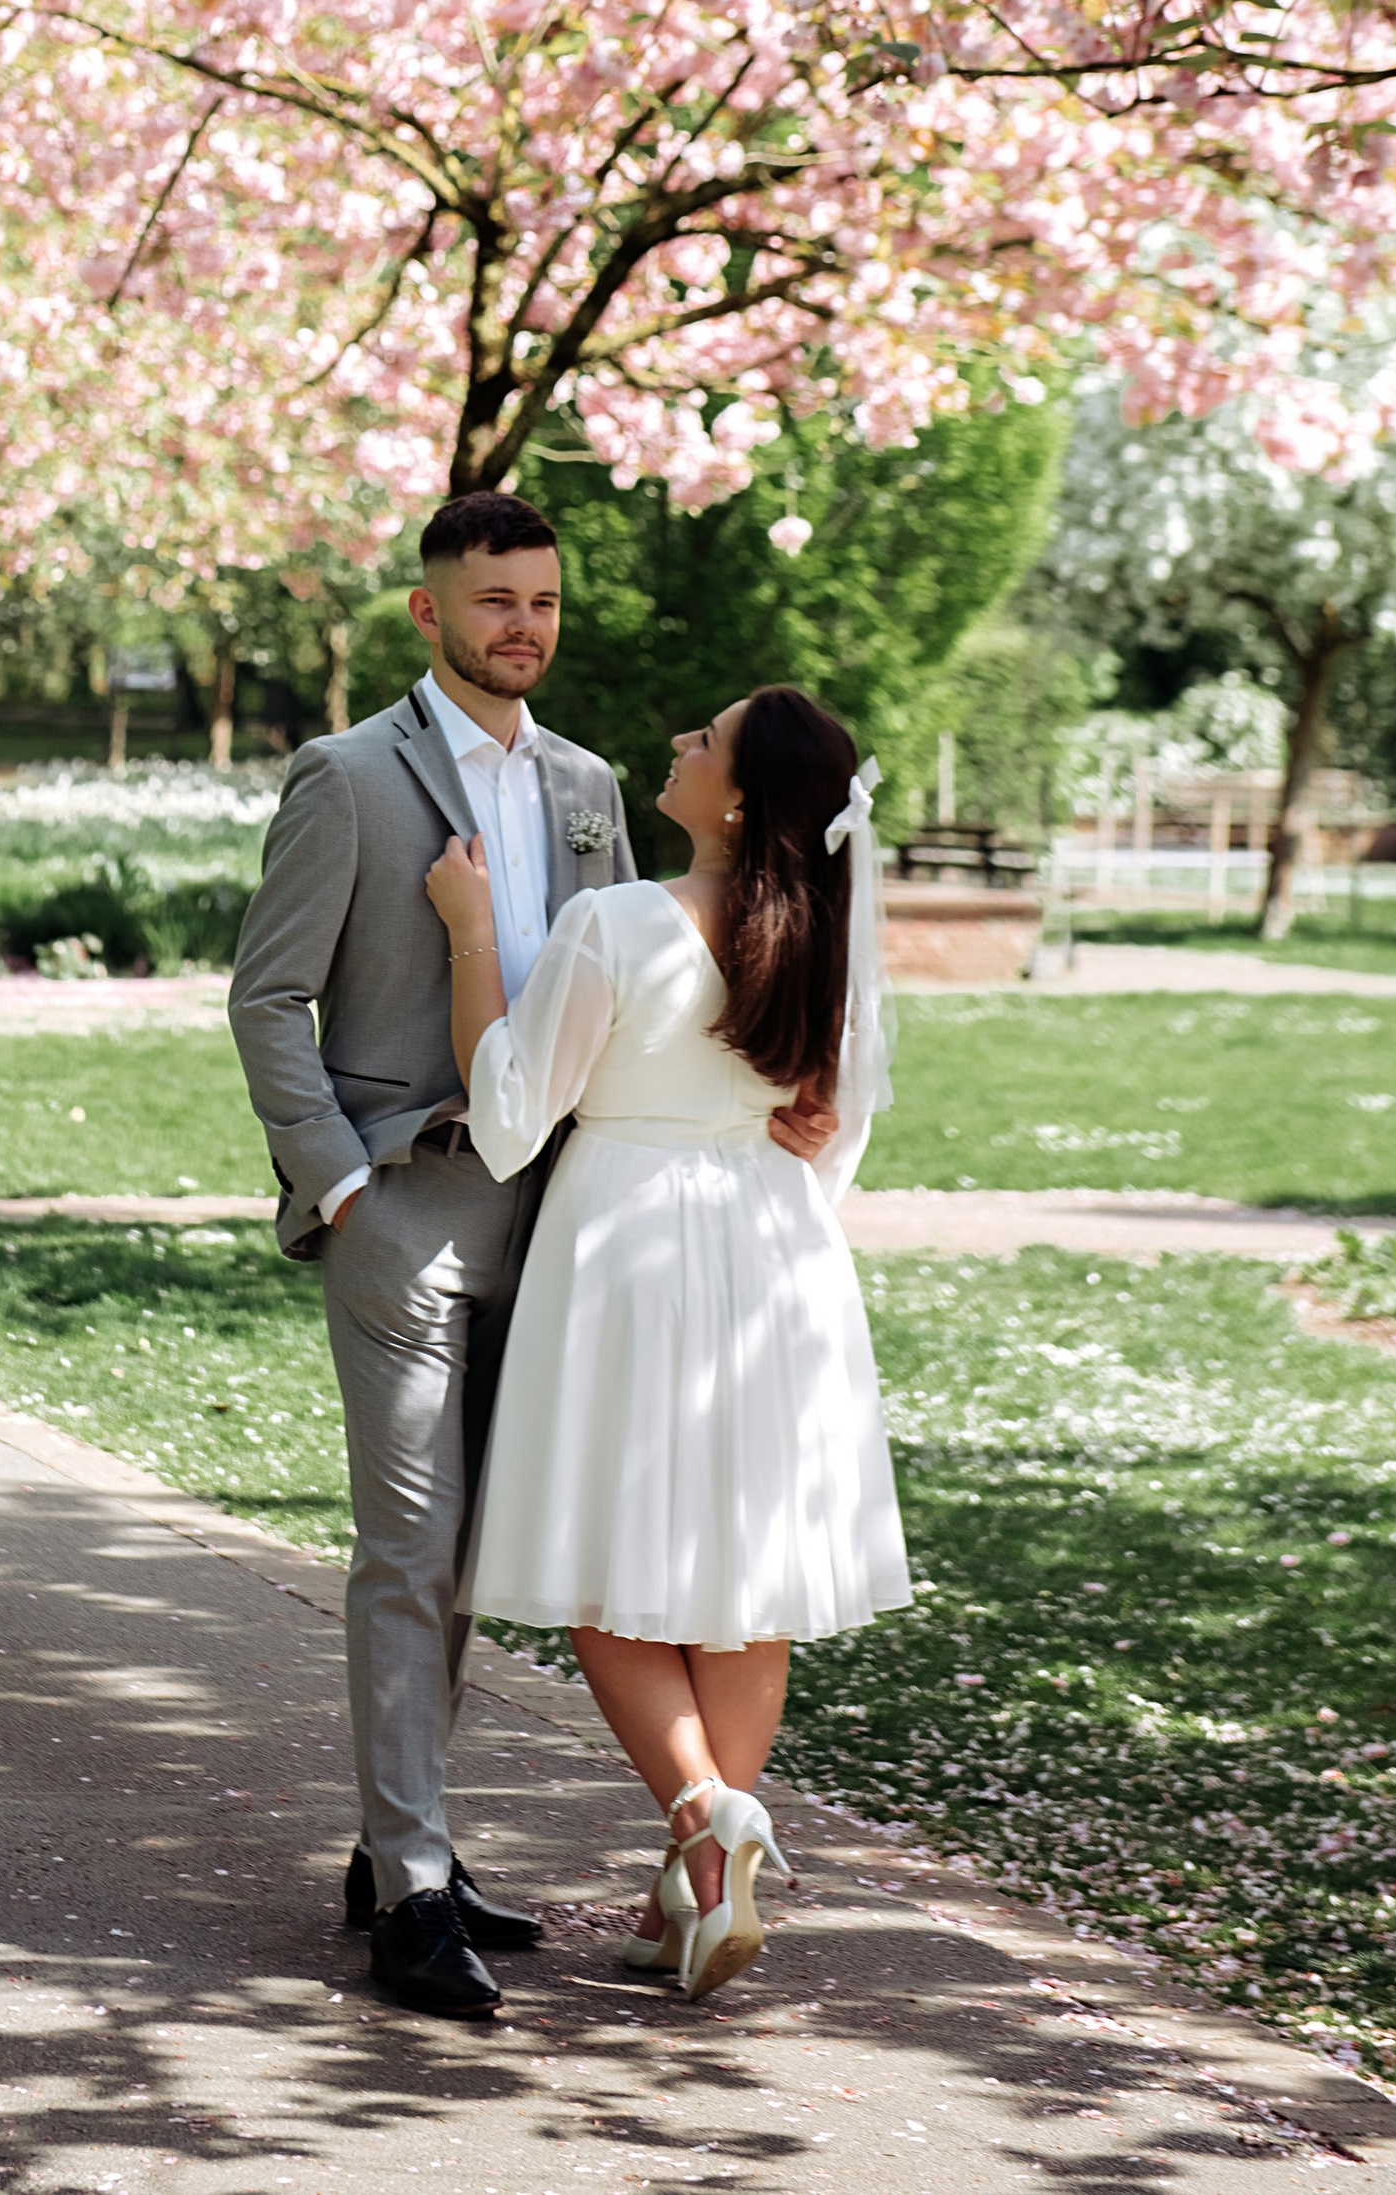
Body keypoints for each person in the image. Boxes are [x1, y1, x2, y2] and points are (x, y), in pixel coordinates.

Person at [430, 683, 912, 2000]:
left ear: (738, 798)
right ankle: (694, 1894)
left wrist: (472, 934)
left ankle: (706, 1818)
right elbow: (836, 1136)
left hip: (628, 1247)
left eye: (704, 738)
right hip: (776, 1256)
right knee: (744, 1583)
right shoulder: (828, 940)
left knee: (605, 1572)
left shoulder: (621, 921)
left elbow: (512, 1116)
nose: (679, 742)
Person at [227, 487, 635, 2019]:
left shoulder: (587, 784)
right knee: (409, 1549)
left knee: (469, 1555)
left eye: (543, 601)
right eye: (494, 601)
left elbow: (612, 990)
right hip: (402, 1203)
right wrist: (339, 1183)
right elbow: (268, 997)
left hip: (550, 1214)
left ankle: (403, 1848)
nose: (523, 627)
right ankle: (410, 1892)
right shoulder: (347, 777)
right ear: (429, 612)